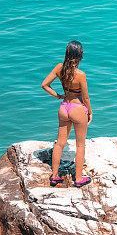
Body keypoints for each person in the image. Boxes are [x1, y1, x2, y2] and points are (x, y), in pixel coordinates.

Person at [41, 40, 93, 187]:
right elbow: (86, 97)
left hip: (64, 108)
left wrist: (58, 96)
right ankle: (78, 179)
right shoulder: (80, 75)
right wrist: (89, 112)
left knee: (60, 143)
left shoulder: (59, 68)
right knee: (80, 145)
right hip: (77, 109)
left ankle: (55, 176)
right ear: (80, 57)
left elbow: (44, 85)